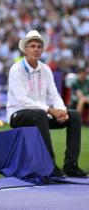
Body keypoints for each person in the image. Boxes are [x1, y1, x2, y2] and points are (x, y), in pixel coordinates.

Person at [7, 30, 87, 178]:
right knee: (39, 114)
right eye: (32, 46)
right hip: (17, 114)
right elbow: (22, 100)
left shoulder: (46, 69)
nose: (36, 49)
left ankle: (71, 165)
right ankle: (48, 166)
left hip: (42, 115)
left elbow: (54, 95)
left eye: (39, 46)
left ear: (42, 50)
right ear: (25, 50)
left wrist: (62, 111)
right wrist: (50, 110)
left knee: (74, 116)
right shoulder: (16, 69)